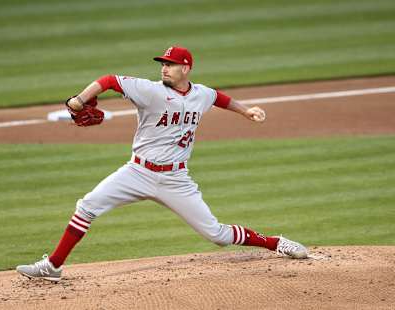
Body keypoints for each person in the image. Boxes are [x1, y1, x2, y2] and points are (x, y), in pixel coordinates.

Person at [16, 46, 308, 282]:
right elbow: (109, 80)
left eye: (169, 64)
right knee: (87, 206)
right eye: (162, 63)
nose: (163, 68)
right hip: (137, 172)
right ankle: (52, 266)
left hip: (176, 180)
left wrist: (246, 111)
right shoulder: (150, 90)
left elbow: (218, 98)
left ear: (186, 68)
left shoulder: (201, 94)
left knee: (216, 235)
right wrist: (80, 100)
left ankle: (276, 242)